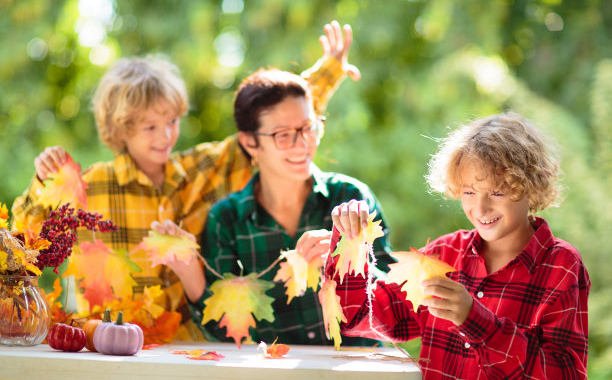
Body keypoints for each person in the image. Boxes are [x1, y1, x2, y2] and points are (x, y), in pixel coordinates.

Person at [11, 21, 359, 341]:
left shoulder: (198, 171)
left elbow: (273, 124)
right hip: (106, 340)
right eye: (150, 127)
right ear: (120, 129)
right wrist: (43, 182)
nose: (165, 136)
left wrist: (329, 70)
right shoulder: (92, 185)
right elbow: (25, 240)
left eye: (173, 121)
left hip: (183, 344)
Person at [328, 112, 590, 378]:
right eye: (469, 192)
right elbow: (356, 317)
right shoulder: (443, 255)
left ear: (531, 187)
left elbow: (564, 374)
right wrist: (350, 242)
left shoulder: (561, 265)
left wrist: (476, 320)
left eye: (497, 192)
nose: (481, 207)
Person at [160, 67, 395, 346]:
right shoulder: (227, 219)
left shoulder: (350, 198)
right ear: (250, 142)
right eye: (283, 135)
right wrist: (191, 276)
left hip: (356, 370)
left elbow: (394, 310)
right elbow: (226, 331)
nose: (302, 145)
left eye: (308, 128)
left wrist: (347, 263)